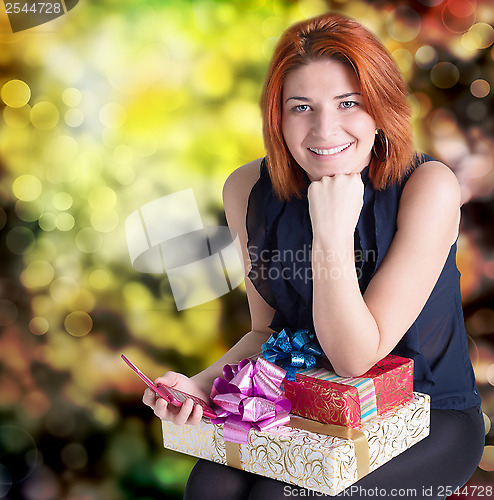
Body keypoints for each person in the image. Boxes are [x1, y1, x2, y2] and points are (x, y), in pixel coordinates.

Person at [143, 12, 484, 499]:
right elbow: (267, 333)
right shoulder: (247, 189)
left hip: (428, 417)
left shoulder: (428, 186)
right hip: (312, 407)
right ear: (277, 117)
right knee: (210, 485)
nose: (326, 129)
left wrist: (332, 229)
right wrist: (199, 387)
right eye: (302, 107)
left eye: (349, 103)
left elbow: (353, 359)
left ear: (380, 108)